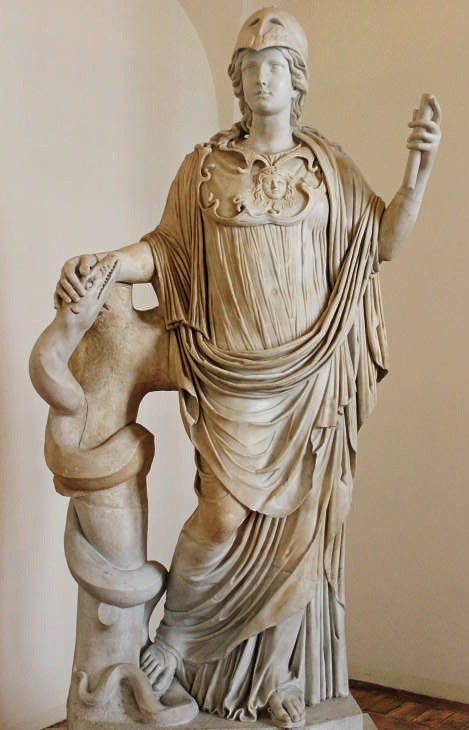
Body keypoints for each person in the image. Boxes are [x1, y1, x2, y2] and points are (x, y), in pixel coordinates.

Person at [55, 8, 441, 728]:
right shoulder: (202, 169)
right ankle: (176, 637)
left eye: (277, 65)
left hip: (310, 378)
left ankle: (278, 676)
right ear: (237, 80)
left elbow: (380, 242)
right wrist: (108, 263)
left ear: (297, 81)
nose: (263, 77)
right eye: (251, 65)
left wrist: (416, 175)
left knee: (302, 535)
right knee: (221, 514)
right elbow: (163, 251)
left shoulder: (328, 169)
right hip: (230, 376)